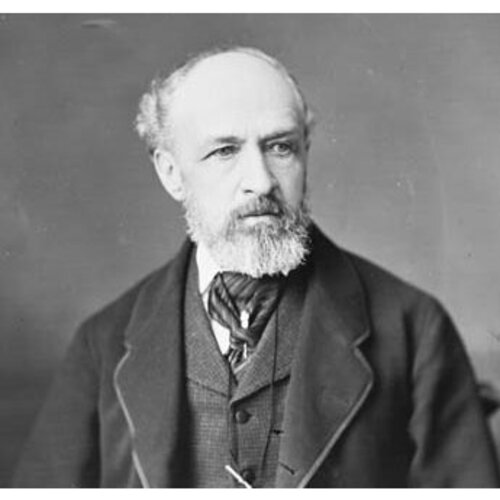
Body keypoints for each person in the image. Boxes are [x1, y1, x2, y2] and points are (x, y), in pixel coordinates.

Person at [12, 46, 500, 488]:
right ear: (171, 172)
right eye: (225, 151)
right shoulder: (104, 344)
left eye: (280, 146)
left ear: (305, 153)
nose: (261, 181)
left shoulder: (412, 329)